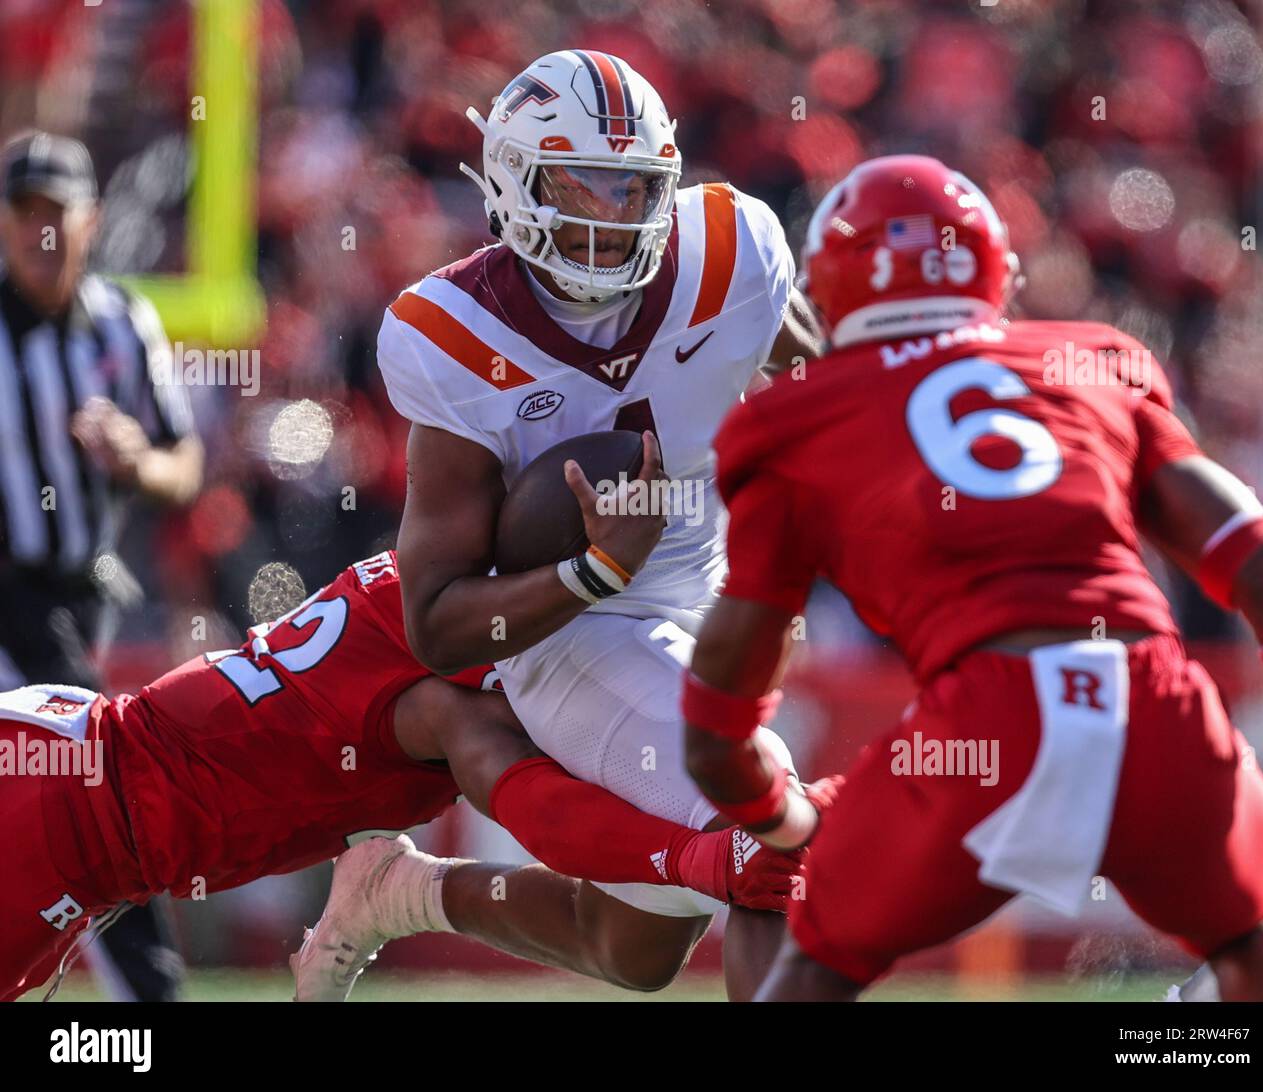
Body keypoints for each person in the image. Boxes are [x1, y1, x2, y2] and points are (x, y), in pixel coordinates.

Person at [681, 155, 1263, 1002]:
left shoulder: (793, 420)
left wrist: (776, 818)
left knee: (814, 966)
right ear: (993, 270)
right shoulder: (1093, 363)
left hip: (986, 721)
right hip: (1151, 700)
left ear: (828, 293)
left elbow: (719, 720)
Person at [300, 49, 825, 1002]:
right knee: (762, 827)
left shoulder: (733, 249)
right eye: (580, 185)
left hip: (707, 589)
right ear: (509, 181)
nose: (607, 217)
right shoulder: (452, 331)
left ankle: (399, 894)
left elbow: (802, 364)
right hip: (569, 624)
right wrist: (593, 575)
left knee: (632, 951)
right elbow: (438, 619)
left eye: (633, 189)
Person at [1, 549, 798, 1002]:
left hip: (92, 813)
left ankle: (400, 892)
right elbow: (510, 783)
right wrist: (700, 861)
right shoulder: (446, 678)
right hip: (68, 806)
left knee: (639, 950)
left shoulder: (461, 617)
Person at [0, 130, 203, 1002]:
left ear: (92, 221)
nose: (43, 234)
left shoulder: (125, 322)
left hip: (83, 595)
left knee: (78, 799)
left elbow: (182, 464)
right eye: (26, 213)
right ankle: (149, 995)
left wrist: (132, 462)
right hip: (9, 596)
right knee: (94, 790)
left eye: (59, 214)